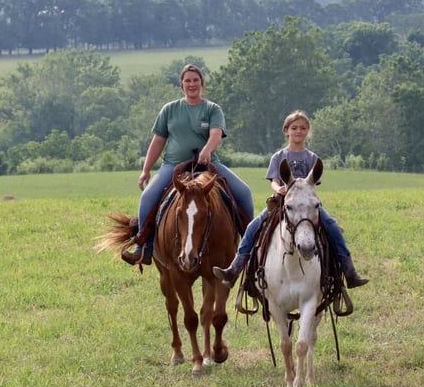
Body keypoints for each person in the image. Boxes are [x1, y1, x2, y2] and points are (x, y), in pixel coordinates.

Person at [213, 110, 368, 289]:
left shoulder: (312, 158)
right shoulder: (279, 157)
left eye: (303, 128)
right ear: (286, 131)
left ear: (308, 131)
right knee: (252, 227)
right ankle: (235, 269)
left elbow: (312, 183)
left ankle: (349, 272)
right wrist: (279, 188)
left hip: (308, 205)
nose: (298, 131)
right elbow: (275, 180)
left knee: (333, 227)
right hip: (281, 202)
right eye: (294, 128)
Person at [121, 63, 254, 265]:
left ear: (202, 83)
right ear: (181, 84)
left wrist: (207, 150)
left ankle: (248, 249)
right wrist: (146, 170)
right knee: (148, 196)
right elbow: (158, 141)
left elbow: (216, 134)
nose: (192, 84)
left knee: (244, 192)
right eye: (187, 80)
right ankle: (143, 246)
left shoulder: (212, 109)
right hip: (173, 166)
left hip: (208, 166)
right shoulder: (170, 109)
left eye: (195, 80)